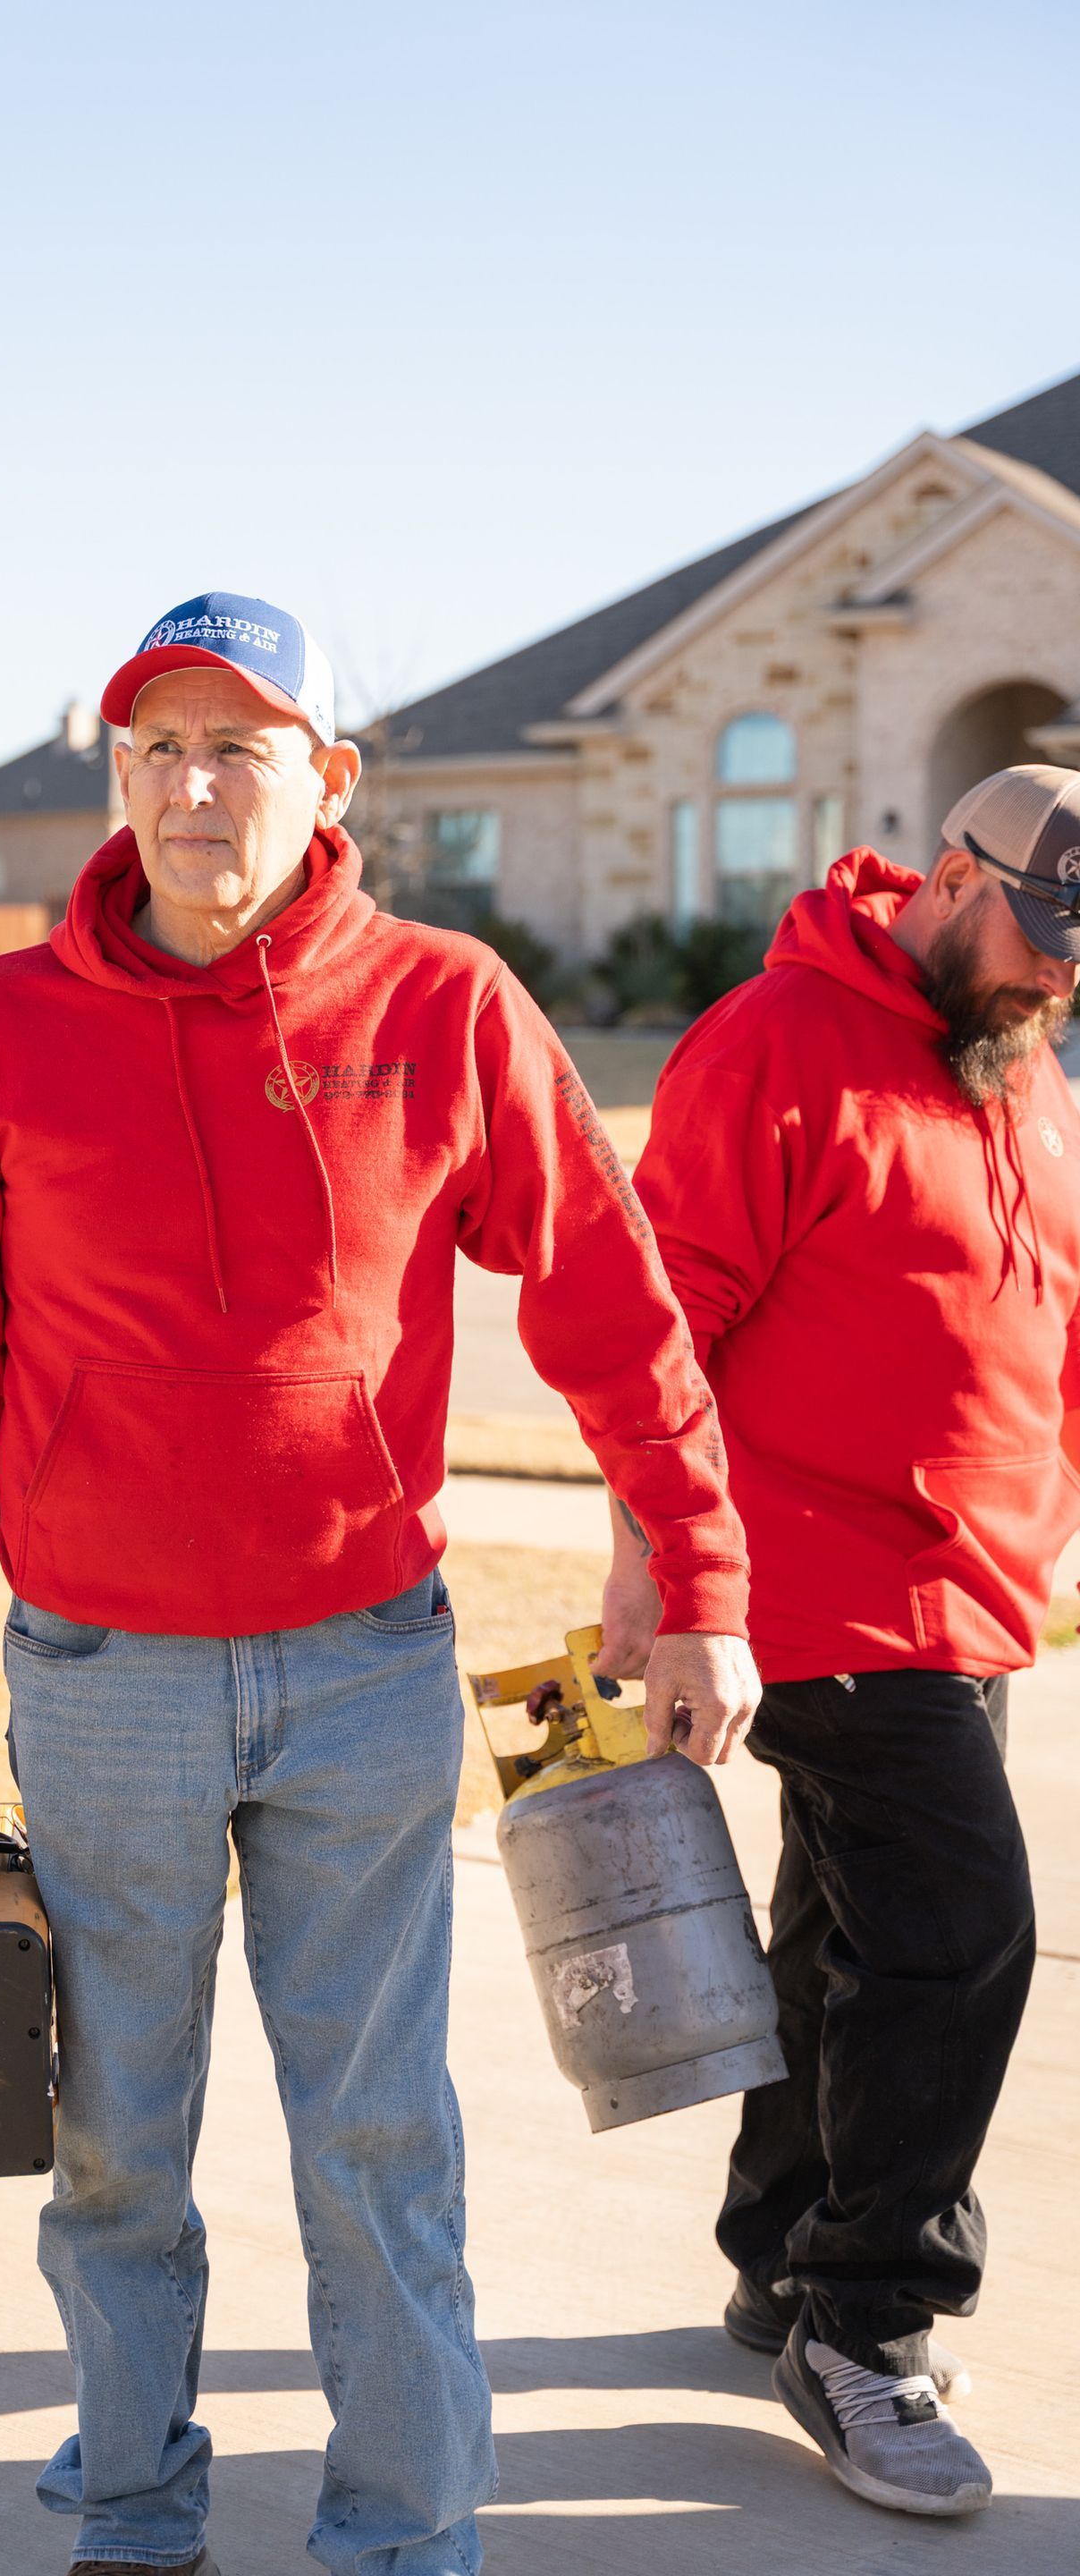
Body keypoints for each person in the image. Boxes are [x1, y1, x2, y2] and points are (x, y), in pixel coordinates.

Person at [0, 590, 758, 2576]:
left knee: (378, 2147)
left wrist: (697, 1571)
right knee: (114, 2153)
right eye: (155, 749)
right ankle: (134, 2515)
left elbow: (615, 1307)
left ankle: (407, 2536)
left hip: (361, 1670)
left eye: (236, 748)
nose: (192, 790)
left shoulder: (441, 1006)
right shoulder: (1, 1031)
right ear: (117, 780)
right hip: (103, 1682)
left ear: (328, 781)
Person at [598, 765, 1080, 2520]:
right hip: (813, 1584)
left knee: (846, 1934)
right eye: (1048, 934)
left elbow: (1048, 1300)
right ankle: (869, 2323)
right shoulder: (777, 1040)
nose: (1066, 977)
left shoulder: (1018, 1061)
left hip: (971, 1596)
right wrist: (671, 1578)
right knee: (961, 1940)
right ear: (953, 878)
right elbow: (661, 1335)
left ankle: (777, 2257)